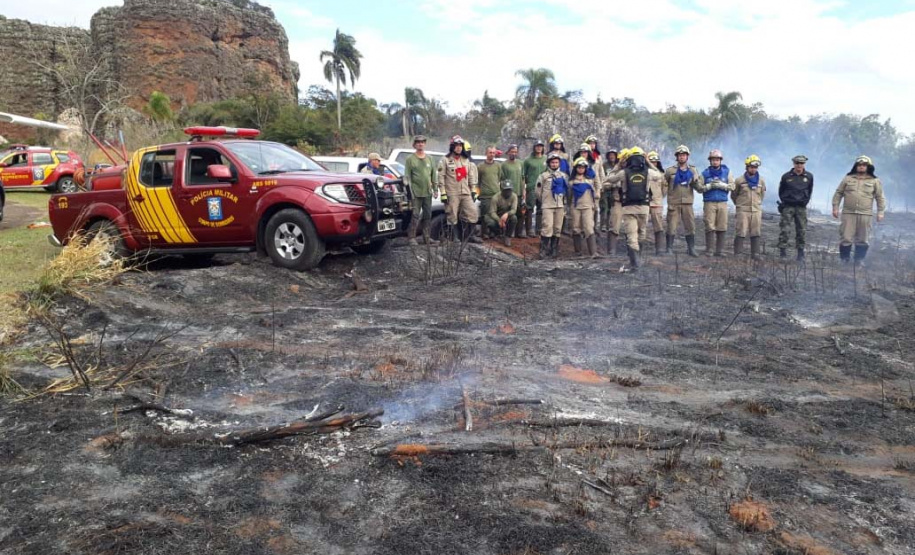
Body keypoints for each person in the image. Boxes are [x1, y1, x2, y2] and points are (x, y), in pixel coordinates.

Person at [606, 147, 664, 271]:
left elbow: (609, 178)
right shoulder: (648, 172)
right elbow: (660, 176)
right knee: (641, 233)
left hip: (628, 208)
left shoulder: (623, 173)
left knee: (632, 236)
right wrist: (649, 162)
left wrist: (618, 165)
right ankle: (639, 258)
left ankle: (635, 263)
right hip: (644, 208)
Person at [832, 155, 886, 265]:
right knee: (846, 237)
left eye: (864, 165)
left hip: (865, 214)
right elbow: (838, 193)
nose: (861, 167)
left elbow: (880, 197)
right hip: (848, 213)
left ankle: (859, 260)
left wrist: (881, 212)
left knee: (863, 238)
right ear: (856, 166)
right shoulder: (848, 178)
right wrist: (835, 207)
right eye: (859, 165)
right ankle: (844, 260)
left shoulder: (874, 181)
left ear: (868, 167)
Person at [437, 135, 481, 243]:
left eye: (460, 145)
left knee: (473, 213)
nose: (459, 148)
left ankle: (469, 236)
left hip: (465, 192)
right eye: (456, 145)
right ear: (452, 146)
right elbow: (440, 177)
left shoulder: (466, 160)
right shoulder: (445, 160)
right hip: (452, 193)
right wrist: (443, 193)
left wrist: (473, 189)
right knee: (452, 215)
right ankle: (455, 238)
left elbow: (470, 176)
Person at [664, 146, 702, 257]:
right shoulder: (670, 171)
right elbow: (664, 184)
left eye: (684, 155)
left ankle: (691, 248)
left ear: (687, 156)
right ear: (676, 157)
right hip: (674, 203)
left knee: (690, 226)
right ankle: (669, 248)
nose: (682, 157)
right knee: (671, 225)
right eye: (680, 155)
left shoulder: (693, 170)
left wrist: (696, 181)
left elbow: (698, 187)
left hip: (687, 203)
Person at [403, 135, 439, 245]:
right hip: (415, 193)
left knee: (427, 215)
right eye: (418, 142)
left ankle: (426, 237)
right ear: (414, 144)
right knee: (415, 215)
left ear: (425, 144)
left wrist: (435, 189)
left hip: (427, 192)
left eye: (422, 142)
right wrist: (409, 192)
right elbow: (407, 177)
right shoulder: (410, 159)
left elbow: (433, 175)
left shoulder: (430, 158)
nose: (420, 144)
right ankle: (411, 237)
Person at [777, 155, 814, 261]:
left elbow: (810, 190)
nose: (799, 165)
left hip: (801, 208)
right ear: (793, 163)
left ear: (804, 164)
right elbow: (781, 191)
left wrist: (804, 201)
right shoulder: (786, 176)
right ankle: (783, 252)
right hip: (788, 207)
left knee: (801, 230)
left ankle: (800, 254)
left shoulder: (809, 177)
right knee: (785, 230)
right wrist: (786, 200)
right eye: (797, 163)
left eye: (801, 163)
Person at [698, 149, 735, 256]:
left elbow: (733, 186)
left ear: (720, 160)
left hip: (722, 202)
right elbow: (699, 188)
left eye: (717, 160)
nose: (715, 162)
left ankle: (720, 251)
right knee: (709, 225)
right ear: (710, 161)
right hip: (709, 202)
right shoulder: (705, 173)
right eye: (713, 160)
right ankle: (709, 250)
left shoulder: (727, 172)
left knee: (722, 226)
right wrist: (708, 186)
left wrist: (722, 185)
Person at [731, 155, 766, 258]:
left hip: (756, 210)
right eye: (751, 167)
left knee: (756, 232)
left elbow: (761, 195)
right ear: (746, 167)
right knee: (741, 231)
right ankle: (738, 253)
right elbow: (734, 195)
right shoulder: (739, 180)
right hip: (743, 210)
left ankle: (755, 254)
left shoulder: (761, 181)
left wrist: (757, 205)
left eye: (755, 167)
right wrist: (740, 206)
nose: (753, 169)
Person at [536, 152, 569, 259]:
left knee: (557, 228)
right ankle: (543, 249)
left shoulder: (563, 176)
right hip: (548, 205)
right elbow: (538, 191)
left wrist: (565, 204)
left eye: (556, 162)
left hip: (560, 206)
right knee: (547, 227)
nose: (554, 164)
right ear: (549, 163)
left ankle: (554, 249)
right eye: (552, 162)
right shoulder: (543, 176)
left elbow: (566, 191)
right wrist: (544, 201)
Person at [569, 157, 600, 258]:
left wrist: (595, 205)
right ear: (575, 168)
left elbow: (595, 193)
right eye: (579, 167)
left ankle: (593, 252)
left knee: (589, 228)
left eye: (583, 167)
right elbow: (568, 195)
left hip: (588, 207)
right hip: (575, 207)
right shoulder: (571, 181)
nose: (581, 169)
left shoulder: (590, 180)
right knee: (576, 228)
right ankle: (578, 252)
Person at [476, 146, 503, 239]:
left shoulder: (498, 166)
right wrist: (478, 193)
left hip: (496, 194)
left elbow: (499, 178)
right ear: (486, 153)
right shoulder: (480, 166)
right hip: (485, 195)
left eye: (493, 153)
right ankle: (484, 233)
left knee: (495, 215)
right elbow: (477, 181)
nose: (492, 154)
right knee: (484, 216)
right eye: (490, 152)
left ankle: (494, 233)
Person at [522, 140, 547, 237]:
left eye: (541, 146)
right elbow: (523, 175)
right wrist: (524, 188)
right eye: (537, 146)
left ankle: (539, 229)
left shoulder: (546, 159)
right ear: (534, 147)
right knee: (529, 208)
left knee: (541, 209)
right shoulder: (528, 160)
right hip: (531, 187)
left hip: (543, 188)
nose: (539, 148)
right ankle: (529, 230)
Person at [484, 180, 519, 247]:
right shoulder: (495, 197)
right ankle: (496, 233)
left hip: (505, 215)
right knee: (490, 222)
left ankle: (508, 236)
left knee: (514, 218)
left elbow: (514, 210)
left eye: (509, 190)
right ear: (502, 190)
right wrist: (499, 220)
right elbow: (492, 212)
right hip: (496, 215)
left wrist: (507, 214)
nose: (508, 192)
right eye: (506, 190)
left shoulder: (514, 196)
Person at [500, 144, 525, 237]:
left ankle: (519, 232)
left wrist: (523, 191)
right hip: (508, 193)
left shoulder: (520, 163)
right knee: (509, 213)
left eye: (515, 152)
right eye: (512, 152)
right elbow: (501, 179)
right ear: (508, 152)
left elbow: (523, 178)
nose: (513, 153)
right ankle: (508, 233)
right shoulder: (504, 165)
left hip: (518, 192)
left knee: (520, 213)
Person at [647, 151, 666, 255]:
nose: (653, 164)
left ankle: (659, 249)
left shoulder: (661, 175)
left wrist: (658, 197)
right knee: (640, 226)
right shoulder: (643, 173)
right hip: (644, 203)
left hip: (656, 203)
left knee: (658, 226)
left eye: (655, 162)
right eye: (651, 162)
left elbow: (664, 189)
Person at [601, 148, 619, 233]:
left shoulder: (618, 165)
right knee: (604, 206)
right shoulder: (604, 165)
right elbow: (602, 175)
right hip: (606, 188)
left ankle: (611, 224)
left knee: (613, 206)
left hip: (615, 189)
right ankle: (603, 224)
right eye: (610, 155)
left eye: (613, 155)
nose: (612, 157)